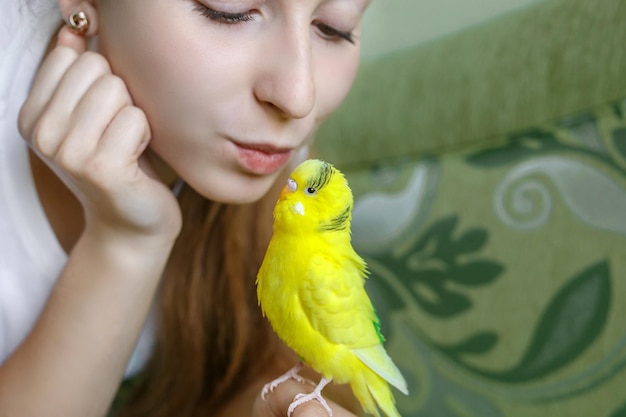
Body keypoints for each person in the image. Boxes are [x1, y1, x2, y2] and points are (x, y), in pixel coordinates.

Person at [0, 0, 371, 416]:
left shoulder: (266, 150)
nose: (298, 96)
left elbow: (248, 365)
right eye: (228, 11)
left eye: (333, 28)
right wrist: (123, 243)